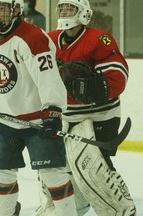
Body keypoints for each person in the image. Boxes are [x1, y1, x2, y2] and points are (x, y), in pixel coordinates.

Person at [0, 0, 78, 215]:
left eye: (3, 10)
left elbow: (48, 78)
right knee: (0, 170)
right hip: (6, 121)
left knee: (52, 174)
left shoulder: (32, 38)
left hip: (38, 120)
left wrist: (52, 111)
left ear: (16, 11)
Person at [33, 0, 137, 216]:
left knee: (93, 169)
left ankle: (121, 209)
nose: (64, 12)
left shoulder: (99, 39)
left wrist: (94, 86)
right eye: (61, 8)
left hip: (99, 116)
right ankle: (71, 208)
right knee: (57, 169)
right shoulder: (50, 40)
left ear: (83, 14)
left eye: (69, 8)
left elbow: (118, 74)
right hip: (64, 117)